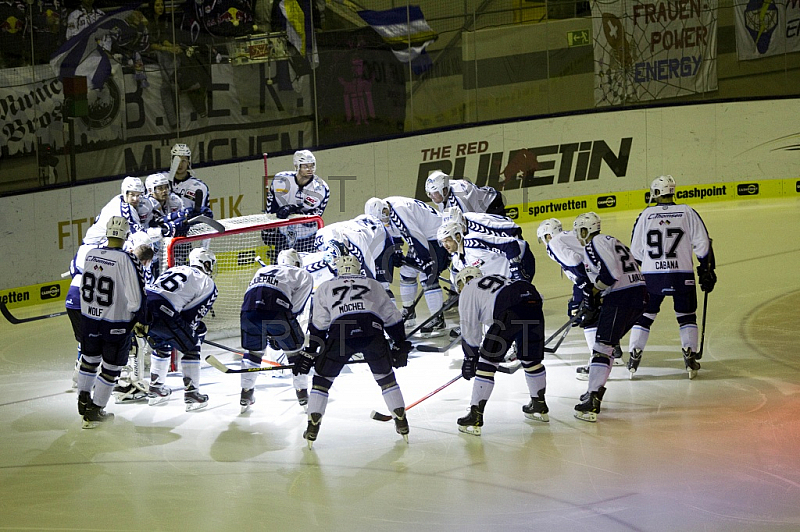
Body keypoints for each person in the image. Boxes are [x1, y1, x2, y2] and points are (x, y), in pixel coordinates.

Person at [295, 254, 412, 448]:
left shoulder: (325, 286)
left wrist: (312, 350)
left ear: (337, 269)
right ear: (359, 268)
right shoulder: (373, 284)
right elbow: (391, 315)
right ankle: (402, 421)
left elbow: (319, 324)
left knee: (322, 382)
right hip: (371, 330)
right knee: (386, 379)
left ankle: (313, 425)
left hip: (340, 331)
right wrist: (400, 342)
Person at [627, 175, 716, 379]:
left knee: (645, 316)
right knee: (686, 316)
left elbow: (636, 250)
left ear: (657, 193)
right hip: (682, 274)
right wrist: (706, 269)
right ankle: (690, 356)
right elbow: (703, 244)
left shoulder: (646, 215)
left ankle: (634, 355)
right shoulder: (687, 212)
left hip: (651, 277)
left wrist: (648, 264)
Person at [453, 266, 548, 436]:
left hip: (510, 305)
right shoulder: (494, 280)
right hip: (532, 299)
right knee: (531, 360)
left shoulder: (468, 288)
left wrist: (470, 358)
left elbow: (469, 327)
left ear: (462, 281)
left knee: (487, 364)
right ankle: (539, 404)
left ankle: (475, 414)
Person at [572, 212, 647, 422]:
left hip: (622, 297)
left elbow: (610, 275)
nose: (579, 236)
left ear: (585, 230)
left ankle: (593, 398)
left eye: (579, 231)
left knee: (602, 347)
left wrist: (592, 294)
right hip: (639, 294)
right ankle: (594, 391)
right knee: (607, 344)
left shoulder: (593, 244)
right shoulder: (612, 240)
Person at [75, 216, 147, 428]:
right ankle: (95, 411)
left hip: (89, 319)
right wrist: (140, 319)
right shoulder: (127, 259)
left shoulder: (91, 253)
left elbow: (81, 286)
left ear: (107, 233)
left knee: (89, 360)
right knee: (111, 367)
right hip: (115, 322)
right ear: (125, 235)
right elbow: (136, 296)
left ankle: (83, 400)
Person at [536, 218, 624, 378]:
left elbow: (575, 264)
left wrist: (583, 291)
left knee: (586, 316)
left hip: (592, 279)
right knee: (600, 313)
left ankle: (596, 364)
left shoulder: (554, 243)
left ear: (547, 235)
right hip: (606, 277)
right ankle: (614, 352)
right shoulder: (570, 235)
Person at [239, 249, 314, 413]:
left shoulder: (262, 269)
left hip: (247, 311)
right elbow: (295, 309)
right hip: (276, 311)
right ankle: (302, 395)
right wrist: (278, 335)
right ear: (297, 262)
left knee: (254, 352)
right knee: (296, 352)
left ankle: (246, 394)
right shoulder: (303, 274)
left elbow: (251, 295)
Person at [144, 247, 218, 411]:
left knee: (163, 342)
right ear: (205, 263)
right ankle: (192, 394)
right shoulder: (207, 283)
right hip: (164, 311)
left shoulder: (174, 269)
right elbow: (190, 318)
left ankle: (156, 389)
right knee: (192, 345)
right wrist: (197, 333)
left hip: (143, 306)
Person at [365, 196, 447, 335]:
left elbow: (414, 237)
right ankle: (409, 311)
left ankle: (437, 317)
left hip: (438, 237)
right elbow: (394, 233)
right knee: (407, 271)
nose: (383, 221)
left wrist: (426, 261)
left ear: (385, 211)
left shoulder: (400, 211)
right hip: (425, 238)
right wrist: (396, 251)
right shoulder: (386, 208)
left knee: (427, 276)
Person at [264, 149, 329, 255]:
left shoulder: (320, 189)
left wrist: (292, 209)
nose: (310, 169)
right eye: (305, 166)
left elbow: (311, 220)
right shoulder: (280, 180)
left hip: (308, 237)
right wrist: (268, 230)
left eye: (312, 165)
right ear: (296, 166)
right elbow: (271, 206)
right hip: (283, 235)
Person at [83, 176, 159, 246]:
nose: (135, 199)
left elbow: (152, 221)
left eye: (138, 195)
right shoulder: (121, 209)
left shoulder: (141, 203)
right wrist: (162, 231)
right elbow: (140, 237)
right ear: (124, 192)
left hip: (105, 246)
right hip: (94, 247)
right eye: (132, 195)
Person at [424, 170, 505, 216]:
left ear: (444, 190)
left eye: (435, 193)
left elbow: (466, 225)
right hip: (480, 205)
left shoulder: (460, 200)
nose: (432, 196)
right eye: (429, 193)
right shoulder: (445, 187)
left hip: (491, 205)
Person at [169, 143, 212, 220]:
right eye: (177, 160)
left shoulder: (200, 187)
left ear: (189, 162)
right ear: (172, 161)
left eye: (184, 161)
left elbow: (204, 214)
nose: (180, 164)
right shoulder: (161, 181)